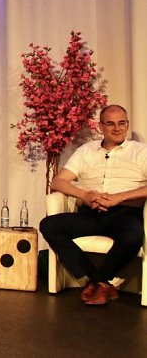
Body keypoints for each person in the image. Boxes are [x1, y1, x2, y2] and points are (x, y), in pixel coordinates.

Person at [40, 104, 147, 305]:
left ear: (127, 124)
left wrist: (119, 197)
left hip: (124, 213)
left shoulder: (141, 152)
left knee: (133, 236)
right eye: (110, 124)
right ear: (101, 127)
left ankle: (97, 281)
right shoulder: (86, 151)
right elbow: (58, 181)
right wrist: (85, 195)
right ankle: (97, 280)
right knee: (49, 225)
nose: (117, 128)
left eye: (121, 123)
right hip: (91, 212)